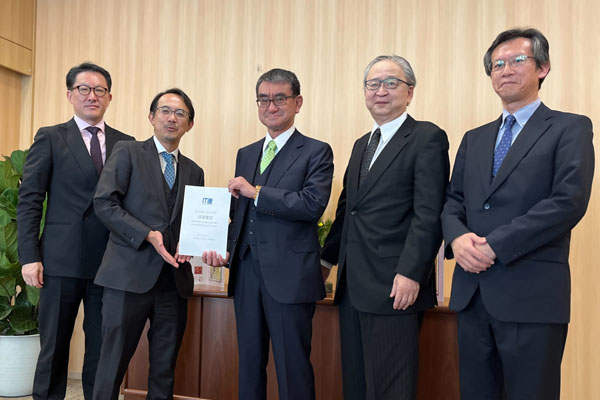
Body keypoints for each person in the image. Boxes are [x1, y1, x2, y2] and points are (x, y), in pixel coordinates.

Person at [442, 28, 594, 400]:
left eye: (517, 60)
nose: (506, 70)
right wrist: (457, 238)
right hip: (472, 294)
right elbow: (453, 200)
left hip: (532, 297)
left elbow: (568, 201)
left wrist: (495, 245)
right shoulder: (474, 138)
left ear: (543, 68)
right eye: (497, 64)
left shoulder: (570, 128)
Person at [320, 55, 450, 400]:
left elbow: (429, 213)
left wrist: (411, 273)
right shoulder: (362, 144)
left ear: (410, 92)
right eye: (373, 84)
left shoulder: (427, 138)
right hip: (353, 287)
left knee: (391, 389)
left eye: (391, 83)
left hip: (396, 287)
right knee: (357, 386)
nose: (381, 91)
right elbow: (348, 210)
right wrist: (326, 261)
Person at [203, 68, 333, 400]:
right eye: (263, 99)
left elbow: (312, 205)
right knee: (249, 364)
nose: (271, 106)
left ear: (297, 102)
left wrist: (256, 192)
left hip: (290, 277)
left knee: (292, 367)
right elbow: (240, 214)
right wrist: (224, 249)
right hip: (246, 273)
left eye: (279, 98)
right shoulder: (246, 153)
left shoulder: (316, 151)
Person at [17, 62, 134, 399]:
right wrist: (29, 256)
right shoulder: (51, 137)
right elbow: (30, 200)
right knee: (54, 347)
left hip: (110, 262)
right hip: (60, 260)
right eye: (84, 89)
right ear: (70, 95)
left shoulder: (127, 144)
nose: (91, 96)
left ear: (109, 97)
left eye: (99, 90)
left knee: (102, 348)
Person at [91, 88, 204, 400]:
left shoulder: (194, 171)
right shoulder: (128, 152)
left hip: (174, 281)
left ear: (190, 124)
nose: (172, 118)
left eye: (180, 113)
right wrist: (146, 234)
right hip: (127, 277)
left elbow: (193, 222)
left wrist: (196, 243)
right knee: (112, 363)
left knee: (165, 368)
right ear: (152, 117)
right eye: (165, 111)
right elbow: (104, 204)